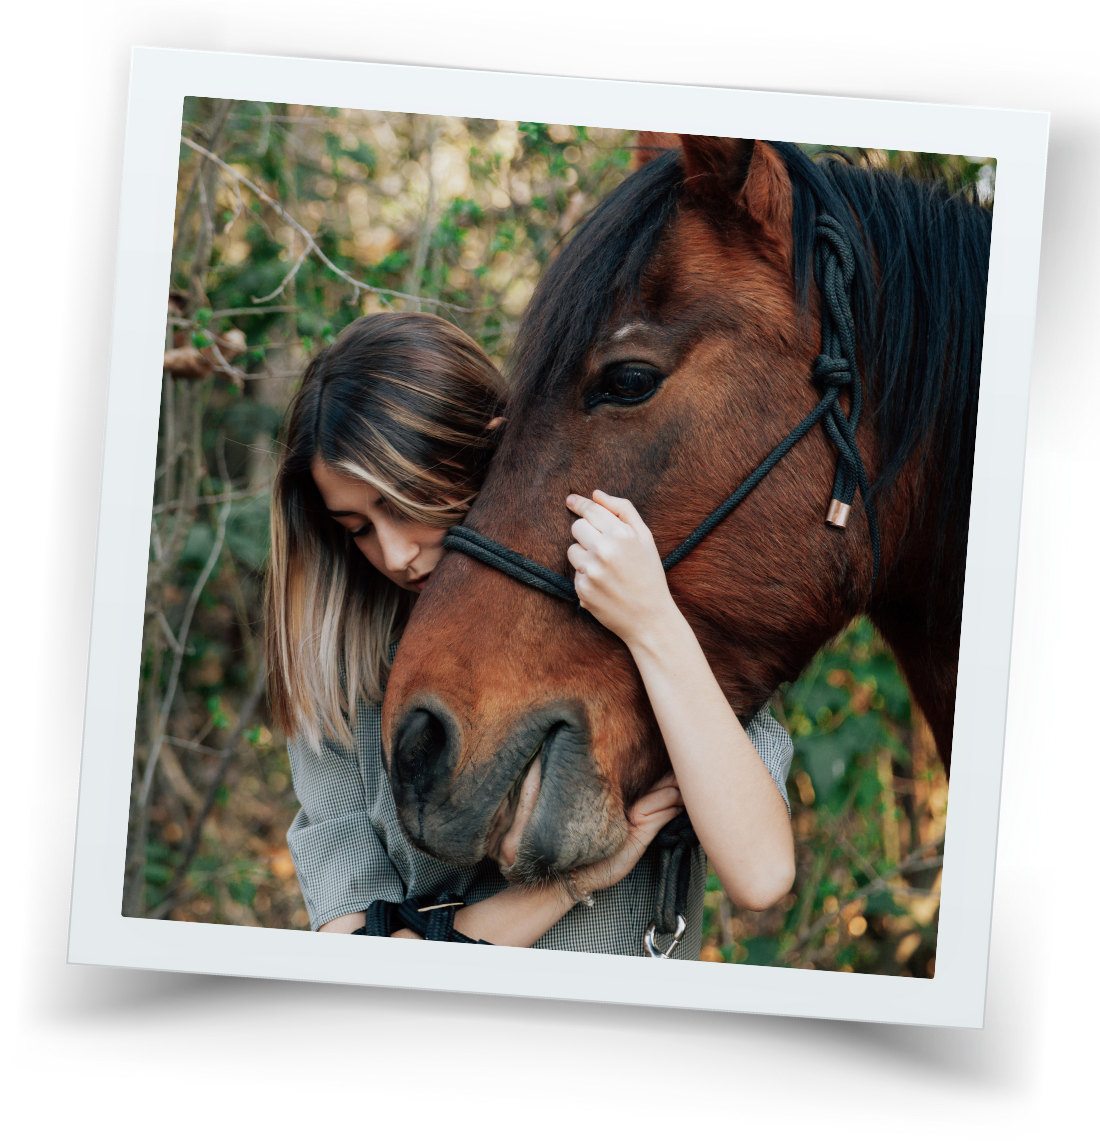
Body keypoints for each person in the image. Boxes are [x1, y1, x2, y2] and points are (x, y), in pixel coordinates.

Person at [267, 311, 795, 957]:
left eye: (405, 501)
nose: (397, 551)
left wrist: (653, 624)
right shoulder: (342, 685)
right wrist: (570, 884)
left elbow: (761, 871)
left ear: (493, 448)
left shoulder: (631, 616)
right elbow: (357, 961)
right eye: (357, 528)